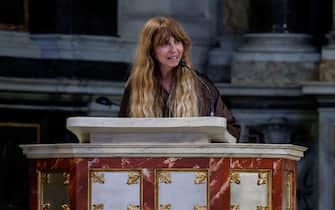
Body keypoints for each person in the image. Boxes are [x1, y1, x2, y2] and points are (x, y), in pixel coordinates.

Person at [118, 16, 241, 140]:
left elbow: (232, 129)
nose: (174, 50)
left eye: (177, 42)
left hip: (192, 157)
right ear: (151, 51)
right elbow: (121, 132)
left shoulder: (201, 84)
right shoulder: (136, 86)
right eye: (165, 44)